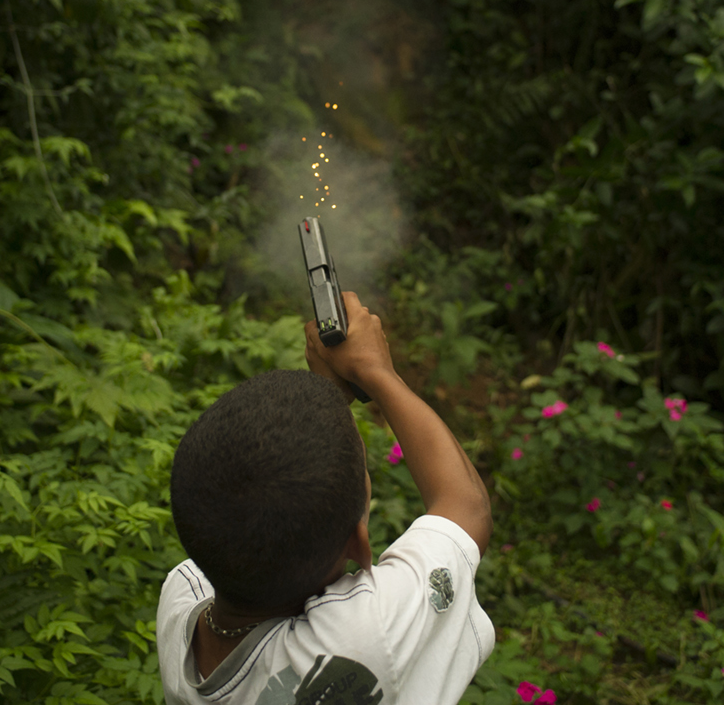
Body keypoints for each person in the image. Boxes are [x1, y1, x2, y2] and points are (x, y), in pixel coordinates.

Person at [158, 291, 494, 705]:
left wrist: (326, 397)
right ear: (359, 545)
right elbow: (466, 506)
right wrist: (377, 372)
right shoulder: (366, 637)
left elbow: (265, 502)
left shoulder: (180, 600)